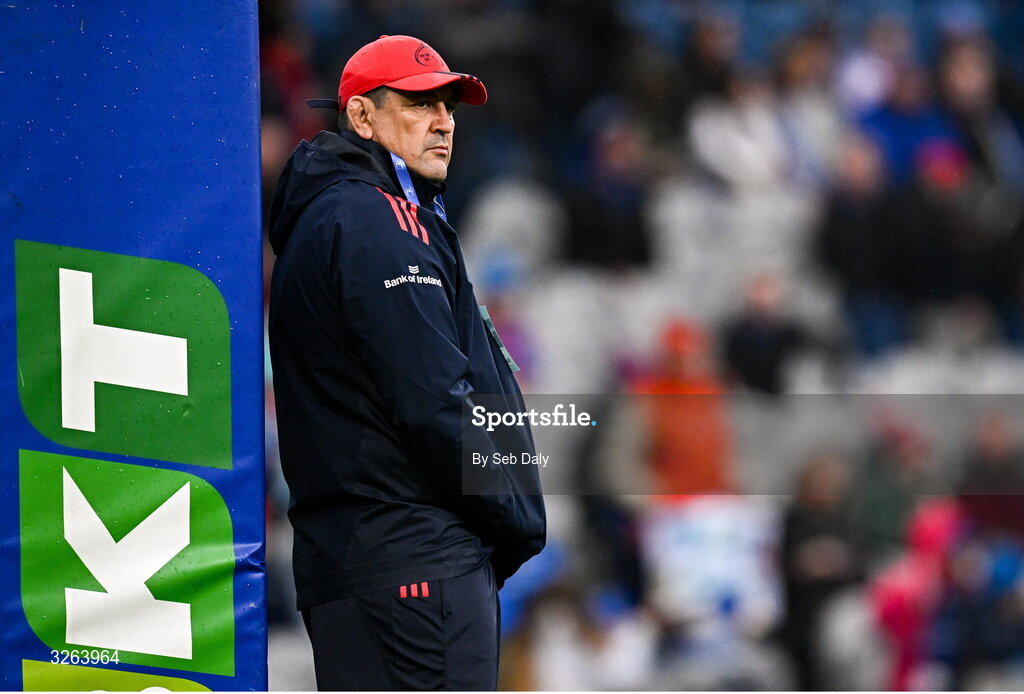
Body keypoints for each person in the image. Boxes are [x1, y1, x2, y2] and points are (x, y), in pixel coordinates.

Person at [268, 35, 546, 690]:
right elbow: (434, 401)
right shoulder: (377, 221)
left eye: (449, 106)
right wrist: (514, 514)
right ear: (361, 117)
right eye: (419, 103)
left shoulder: (334, 216)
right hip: (415, 563)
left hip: (366, 563)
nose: (443, 121)